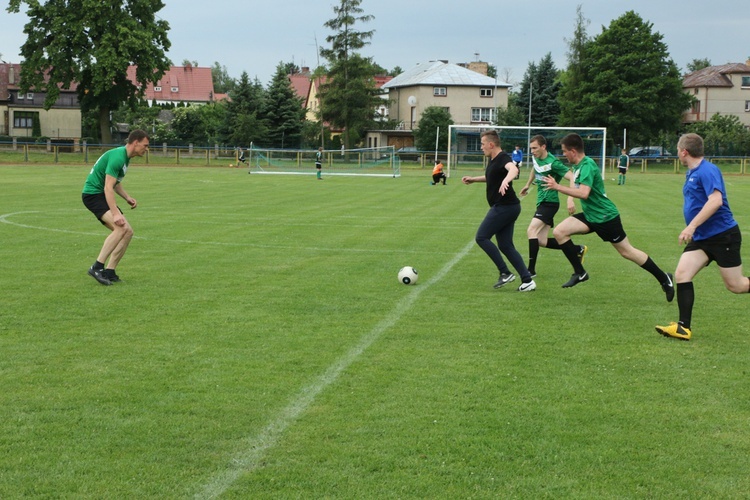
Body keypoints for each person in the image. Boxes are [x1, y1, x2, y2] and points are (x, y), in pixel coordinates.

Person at [541, 133, 674, 300]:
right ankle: (580, 272)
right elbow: (575, 185)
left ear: (573, 151)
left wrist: (557, 187)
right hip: (591, 216)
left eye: (564, 151)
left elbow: (584, 193)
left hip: (606, 217)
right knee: (560, 232)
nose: (563, 154)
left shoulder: (587, 165)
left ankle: (664, 279)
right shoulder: (577, 166)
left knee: (627, 252)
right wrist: (569, 199)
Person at [656, 133, 750, 340]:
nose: (677, 154)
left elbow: (715, 201)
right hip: (703, 238)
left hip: (723, 236)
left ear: (684, 152)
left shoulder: (707, 171)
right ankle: (683, 327)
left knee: (737, 286)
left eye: (678, 151)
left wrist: (691, 226)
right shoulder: (692, 172)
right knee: (682, 274)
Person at [462, 130, 536, 292]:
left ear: (491, 144)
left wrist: (507, 181)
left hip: (505, 207)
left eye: (482, 144)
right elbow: (492, 176)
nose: (481, 147)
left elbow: (513, 170)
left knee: (481, 237)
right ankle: (527, 280)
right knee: (505, 245)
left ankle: (504, 272)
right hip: (508, 207)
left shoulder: (503, 157)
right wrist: (474, 179)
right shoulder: (493, 160)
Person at [81, 129, 150, 285]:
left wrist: (127, 197)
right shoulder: (119, 157)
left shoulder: (125, 158)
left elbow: (114, 183)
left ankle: (110, 271)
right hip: (93, 195)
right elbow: (107, 187)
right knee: (120, 228)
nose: (146, 149)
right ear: (135, 142)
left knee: (128, 231)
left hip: (100, 194)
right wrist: (115, 213)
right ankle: (97, 267)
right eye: (145, 145)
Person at [519, 135, 587, 277]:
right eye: (531, 148)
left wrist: (570, 199)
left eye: (535, 148)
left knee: (531, 230)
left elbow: (573, 177)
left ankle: (530, 270)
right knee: (541, 241)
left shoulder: (554, 163)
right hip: (541, 202)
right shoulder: (536, 157)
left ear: (543, 147)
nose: (532, 151)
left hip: (550, 203)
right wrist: (527, 184)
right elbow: (535, 168)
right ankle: (576, 249)